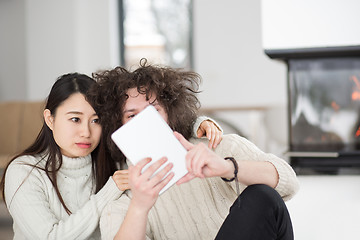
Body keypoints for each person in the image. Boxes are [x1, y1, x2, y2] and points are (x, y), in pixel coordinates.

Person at [87, 59, 300, 240]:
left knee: (261, 194)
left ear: (170, 113)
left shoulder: (220, 147)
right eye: (132, 115)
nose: (146, 121)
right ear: (118, 126)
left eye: (154, 110)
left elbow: (289, 184)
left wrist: (227, 168)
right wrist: (140, 207)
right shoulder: (123, 200)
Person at [0, 72, 222, 239]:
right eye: (75, 119)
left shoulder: (113, 159)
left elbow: (151, 119)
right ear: (50, 119)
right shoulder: (24, 172)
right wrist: (109, 191)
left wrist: (198, 124)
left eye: (96, 120)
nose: (86, 132)